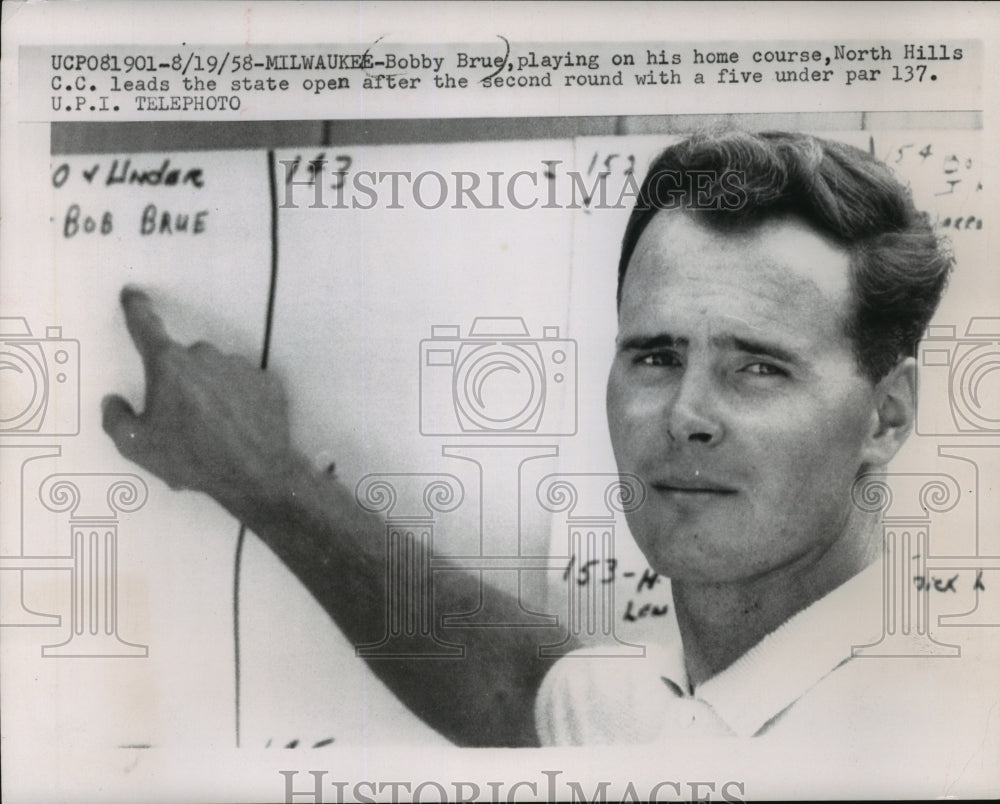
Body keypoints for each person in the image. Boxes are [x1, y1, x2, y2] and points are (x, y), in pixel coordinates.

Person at [102, 130, 956, 746]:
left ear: (886, 416)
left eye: (759, 367)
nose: (685, 412)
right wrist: (267, 482)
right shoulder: (668, 707)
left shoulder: (947, 732)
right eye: (656, 355)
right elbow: (513, 684)